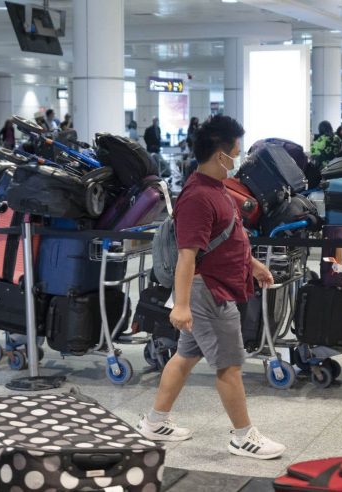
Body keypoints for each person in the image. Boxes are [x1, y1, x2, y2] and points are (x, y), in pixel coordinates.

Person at [137, 114, 285, 460]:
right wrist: (182, 304)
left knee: (185, 356)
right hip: (209, 292)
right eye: (236, 151)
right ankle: (243, 436)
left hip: (213, 287)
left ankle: (155, 422)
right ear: (220, 154)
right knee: (230, 366)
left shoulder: (215, 187)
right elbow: (188, 256)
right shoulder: (197, 198)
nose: (239, 157)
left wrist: (252, 264)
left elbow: (228, 236)